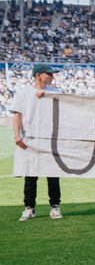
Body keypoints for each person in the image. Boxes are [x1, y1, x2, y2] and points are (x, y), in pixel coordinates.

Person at [12, 64, 64, 221]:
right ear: (38, 75)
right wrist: (17, 136)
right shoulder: (23, 93)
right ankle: (29, 208)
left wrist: (47, 96)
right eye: (49, 74)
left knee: (53, 175)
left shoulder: (55, 92)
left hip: (50, 139)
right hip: (30, 138)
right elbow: (17, 115)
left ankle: (55, 206)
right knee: (30, 175)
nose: (52, 77)